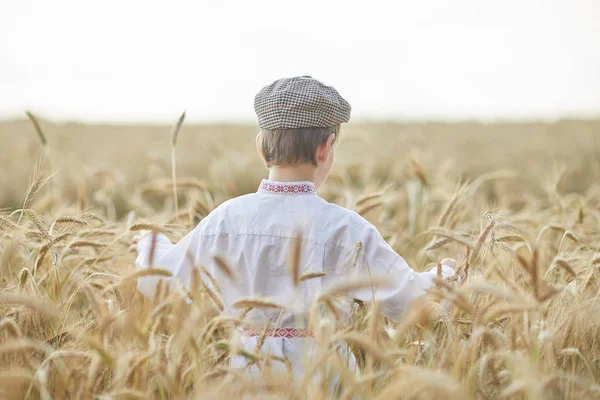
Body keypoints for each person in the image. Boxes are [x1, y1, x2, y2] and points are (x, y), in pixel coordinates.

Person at [131, 76, 456, 381]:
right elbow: (409, 300)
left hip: (248, 371)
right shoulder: (346, 228)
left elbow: (161, 280)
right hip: (324, 374)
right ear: (325, 148)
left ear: (261, 148)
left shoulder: (227, 218)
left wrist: (151, 245)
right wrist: (448, 276)